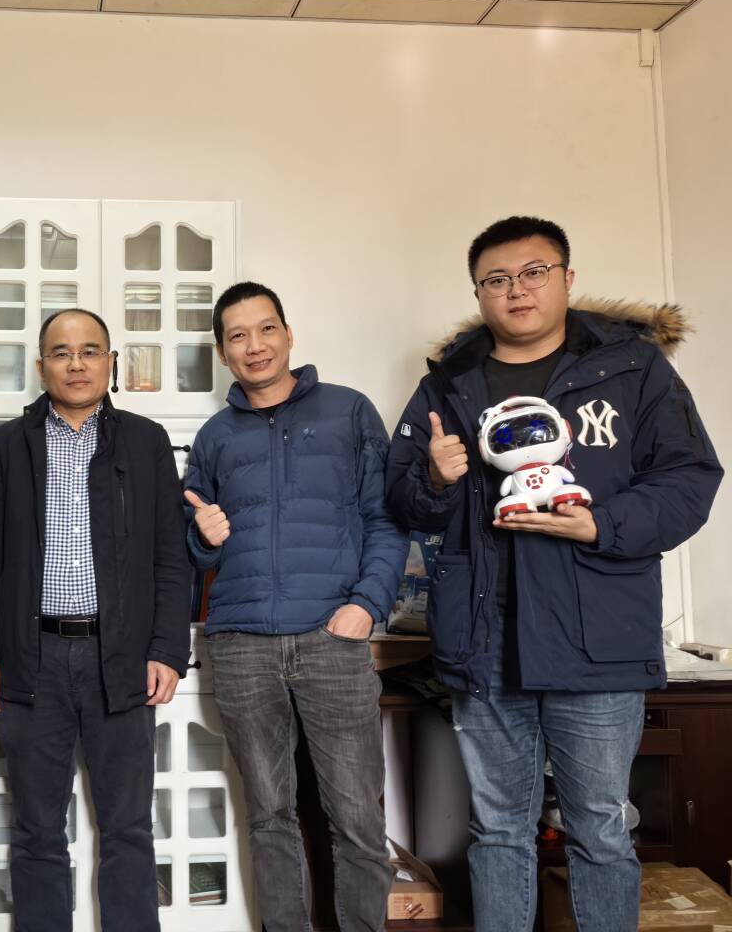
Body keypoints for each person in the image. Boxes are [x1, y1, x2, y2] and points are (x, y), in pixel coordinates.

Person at [385, 215, 723, 932]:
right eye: (497, 279)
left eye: (534, 272)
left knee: (599, 826)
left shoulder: (634, 371)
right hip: (484, 641)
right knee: (497, 830)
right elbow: (403, 503)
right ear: (479, 293)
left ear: (567, 278)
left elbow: (690, 477)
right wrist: (436, 479)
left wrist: (603, 524)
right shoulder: (447, 385)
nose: (517, 290)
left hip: (598, 640)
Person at [184, 281, 404, 932]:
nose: (254, 346)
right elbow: (193, 546)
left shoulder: (349, 412)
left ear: (288, 335)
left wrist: (367, 605)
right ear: (222, 352)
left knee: (357, 817)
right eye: (237, 336)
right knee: (269, 816)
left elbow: (387, 519)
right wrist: (202, 537)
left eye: (266, 329)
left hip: (332, 636)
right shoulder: (214, 436)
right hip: (240, 643)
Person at [0, 307, 191, 932]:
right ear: (41, 366)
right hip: (31, 658)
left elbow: (170, 555)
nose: (76, 364)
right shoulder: (8, 446)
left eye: (90, 351)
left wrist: (167, 650)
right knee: (36, 829)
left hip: (120, 658)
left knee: (128, 827)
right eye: (61, 353)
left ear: (110, 362)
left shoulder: (145, 442)